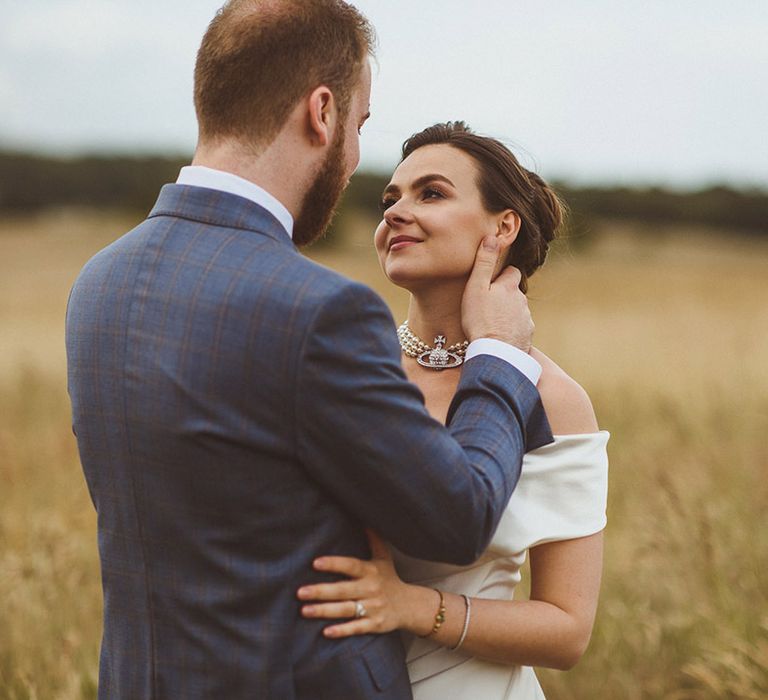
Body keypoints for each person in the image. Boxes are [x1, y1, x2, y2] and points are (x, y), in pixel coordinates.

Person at [65, 3, 553, 699]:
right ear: (321, 113)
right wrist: (500, 354)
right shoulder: (322, 310)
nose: (354, 157)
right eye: (359, 127)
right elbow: (458, 516)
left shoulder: (98, 283)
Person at [298, 122, 609, 699]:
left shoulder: (552, 398)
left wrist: (413, 607)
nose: (395, 212)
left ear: (503, 226)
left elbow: (567, 630)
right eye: (390, 199)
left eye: (431, 193)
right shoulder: (351, 369)